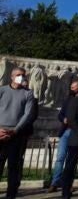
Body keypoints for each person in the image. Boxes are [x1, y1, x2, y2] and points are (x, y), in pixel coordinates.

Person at [0, 67, 35, 199]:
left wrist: (15, 130)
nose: (21, 77)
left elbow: (27, 114)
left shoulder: (28, 93)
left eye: (23, 75)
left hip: (15, 134)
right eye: (18, 75)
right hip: (0, 131)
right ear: (12, 76)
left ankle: (11, 195)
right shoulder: (2, 90)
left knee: (13, 167)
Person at [48, 79, 78, 193]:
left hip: (76, 132)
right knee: (60, 158)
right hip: (65, 131)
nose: (71, 89)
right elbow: (60, 114)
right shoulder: (68, 99)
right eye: (71, 87)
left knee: (71, 160)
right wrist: (64, 119)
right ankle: (55, 182)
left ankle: (68, 183)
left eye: (73, 87)